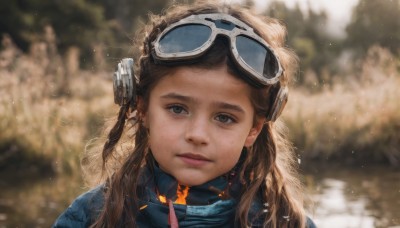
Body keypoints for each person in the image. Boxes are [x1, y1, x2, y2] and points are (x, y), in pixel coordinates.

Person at [53, 1, 316, 227]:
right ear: (142, 109)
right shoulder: (92, 217)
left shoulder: (283, 222)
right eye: (177, 109)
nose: (197, 135)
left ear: (253, 130)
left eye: (224, 117)